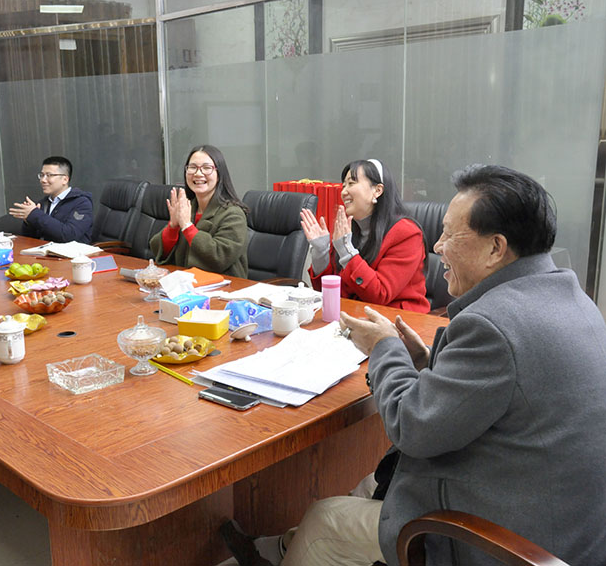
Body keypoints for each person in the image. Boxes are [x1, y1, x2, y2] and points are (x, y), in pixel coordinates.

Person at [223, 164, 606, 566]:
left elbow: (412, 427)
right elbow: (501, 391)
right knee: (370, 485)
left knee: (326, 518)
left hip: (512, 542)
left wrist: (384, 346)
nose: (437, 246)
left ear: (496, 248)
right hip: (562, 519)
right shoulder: (573, 299)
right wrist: (425, 361)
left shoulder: (493, 324)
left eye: (449, 235)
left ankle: (292, 550)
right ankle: (278, 550)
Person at [301, 159, 429, 313]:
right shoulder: (349, 230)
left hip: (398, 320)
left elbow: (380, 294)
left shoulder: (407, 233)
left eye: (351, 183)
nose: (343, 192)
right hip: (354, 316)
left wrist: (346, 251)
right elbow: (330, 293)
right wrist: (321, 253)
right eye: (344, 185)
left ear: (377, 190)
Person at [149, 145, 249, 277]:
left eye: (207, 168)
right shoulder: (188, 207)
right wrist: (173, 226)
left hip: (225, 286)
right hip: (185, 283)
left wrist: (187, 226)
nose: (198, 173)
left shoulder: (233, 214)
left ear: (219, 175)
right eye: (192, 167)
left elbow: (219, 258)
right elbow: (157, 251)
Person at [8, 156, 93, 244]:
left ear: (65, 179)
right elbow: (32, 238)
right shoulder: (43, 203)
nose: (43, 180)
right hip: (45, 251)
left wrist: (35, 214)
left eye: (49, 175)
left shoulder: (82, 203)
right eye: (42, 175)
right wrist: (28, 221)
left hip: (72, 252)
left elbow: (69, 235)